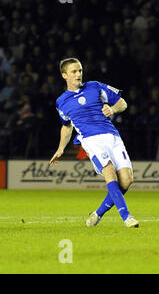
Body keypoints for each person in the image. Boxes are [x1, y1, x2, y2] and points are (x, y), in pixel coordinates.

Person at [49, 58, 139, 228]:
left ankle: (97, 214)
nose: (78, 74)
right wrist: (61, 148)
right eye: (74, 71)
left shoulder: (95, 86)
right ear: (64, 75)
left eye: (80, 71)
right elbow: (66, 127)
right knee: (109, 171)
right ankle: (127, 217)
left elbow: (122, 103)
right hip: (91, 139)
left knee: (127, 180)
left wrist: (112, 109)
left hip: (113, 136)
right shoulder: (61, 102)